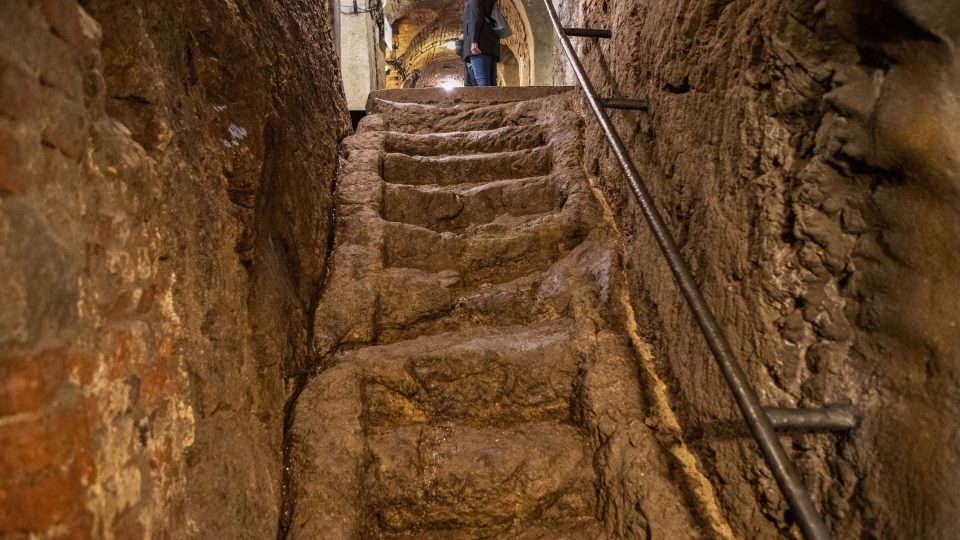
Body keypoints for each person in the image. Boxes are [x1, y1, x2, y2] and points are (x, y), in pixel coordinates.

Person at [460, 0, 500, 86]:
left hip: (480, 45)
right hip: (490, 45)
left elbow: (476, 19)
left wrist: (474, 41)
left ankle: (487, 100)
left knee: (482, 80)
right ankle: (493, 99)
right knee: (492, 82)